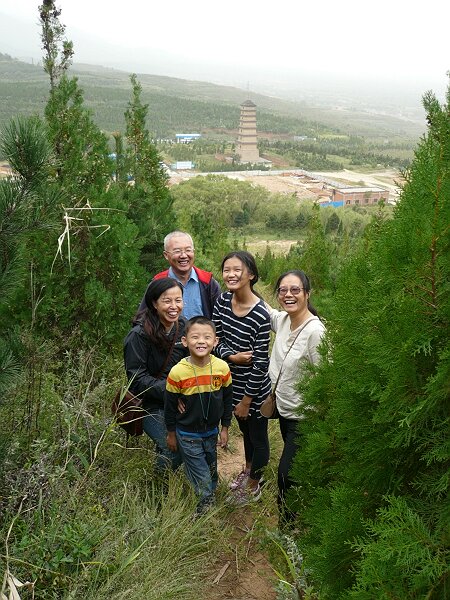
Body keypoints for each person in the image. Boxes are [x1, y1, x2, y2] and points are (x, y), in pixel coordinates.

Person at [267, 270, 326, 527]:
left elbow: (327, 377)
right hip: (285, 411)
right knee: (297, 470)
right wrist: (238, 280)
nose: (288, 295)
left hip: (306, 416)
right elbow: (261, 306)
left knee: (285, 475)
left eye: (295, 290)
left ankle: (288, 527)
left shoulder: (315, 332)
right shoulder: (282, 321)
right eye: (283, 290)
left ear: (307, 294)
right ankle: (303, 511)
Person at [212, 251, 271, 504]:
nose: (231, 274)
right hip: (231, 384)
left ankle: (255, 484)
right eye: (227, 269)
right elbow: (215, 340)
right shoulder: (222, 302)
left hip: (254, 391)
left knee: (258, 437)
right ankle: (248, 471)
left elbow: (260, 364)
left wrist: (247, 400)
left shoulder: (260, 314)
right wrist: (233, 357)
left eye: (237, 269)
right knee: (246, 433)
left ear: (251, 275)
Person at [165, 316, 233, 514]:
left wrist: (225, 428)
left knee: (211, 470)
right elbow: (169, 406)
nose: (201, 341)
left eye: (207, 337)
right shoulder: (178, 372)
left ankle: (209, 496)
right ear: (185, 341)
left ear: (215, 341)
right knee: (201, 476)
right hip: (187, 435)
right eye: (195, 337)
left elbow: (228, 399)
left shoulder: (222, 368)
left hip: (211, 432)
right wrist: (171, 434)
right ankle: (204, 512)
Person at [124, 278, 187, 472]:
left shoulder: (183, 328)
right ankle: (159, 487)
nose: (173, 306)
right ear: (154, 303)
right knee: (174, 448)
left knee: (192, 443)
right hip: (150, 405)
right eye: (167, 301)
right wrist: (170, 392)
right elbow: (137, 378)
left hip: (179, 401)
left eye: (178, 300)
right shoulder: (139, 335)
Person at [139, 231, 221, 319]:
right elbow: (141, 320)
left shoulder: (208, 283)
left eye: (188, 250)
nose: (183, 255)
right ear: (166, 255)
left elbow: (220, 319)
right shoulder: (157, 283)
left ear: (193, 252)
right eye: (177, 251)